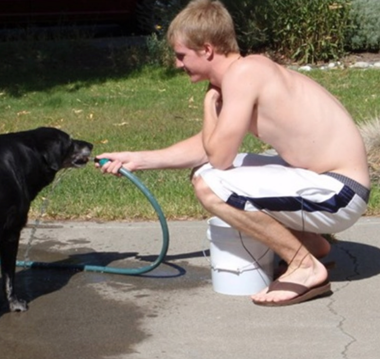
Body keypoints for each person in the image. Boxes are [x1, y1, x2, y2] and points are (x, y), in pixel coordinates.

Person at [96, 0, 370, 306]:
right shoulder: (245, 73)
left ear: (208, 50)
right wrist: (138, 159)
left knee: (211, 184)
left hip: (340, 193)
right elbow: (208, 147)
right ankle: (312, 245)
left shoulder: (244, 74)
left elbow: (219, 157)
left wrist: (207, 106)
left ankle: (304, 266)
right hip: (324, 183)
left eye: (181, 55)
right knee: (207, 175)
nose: (177, 64)